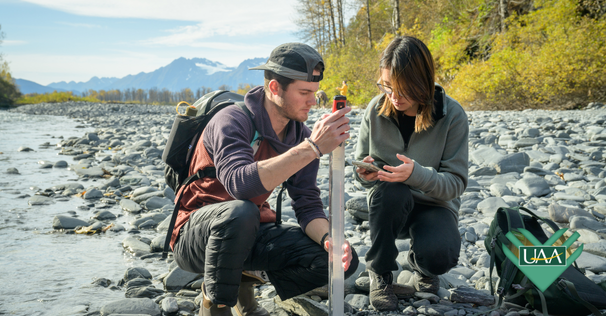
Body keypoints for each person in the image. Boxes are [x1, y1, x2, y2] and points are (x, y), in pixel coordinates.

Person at [170, 42, 359, 316]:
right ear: (274, 88)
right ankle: (216, 305)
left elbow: (307, 205)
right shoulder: (232, 120)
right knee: (241, 212)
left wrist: (329, 239)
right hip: (195, 235)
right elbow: (240, 185)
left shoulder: (302, 136)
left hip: (248, 231)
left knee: (338, 262)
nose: (312, 101)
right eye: (304, 92)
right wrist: (313, 148)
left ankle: (243, 278)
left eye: (315, 93)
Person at [353, 36, 468, 311]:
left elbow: (456, 184)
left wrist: (416, 175)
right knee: (391, 191)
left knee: (440, 258)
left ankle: (420, 265)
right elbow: (360, 164)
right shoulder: (375, 109)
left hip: (434, 206)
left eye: (403, 89)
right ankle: (380, 273)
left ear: (422, 83)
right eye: (387, 86)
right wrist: (363, 174)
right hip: (389, 205)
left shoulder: (452, 116)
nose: (394, 97)